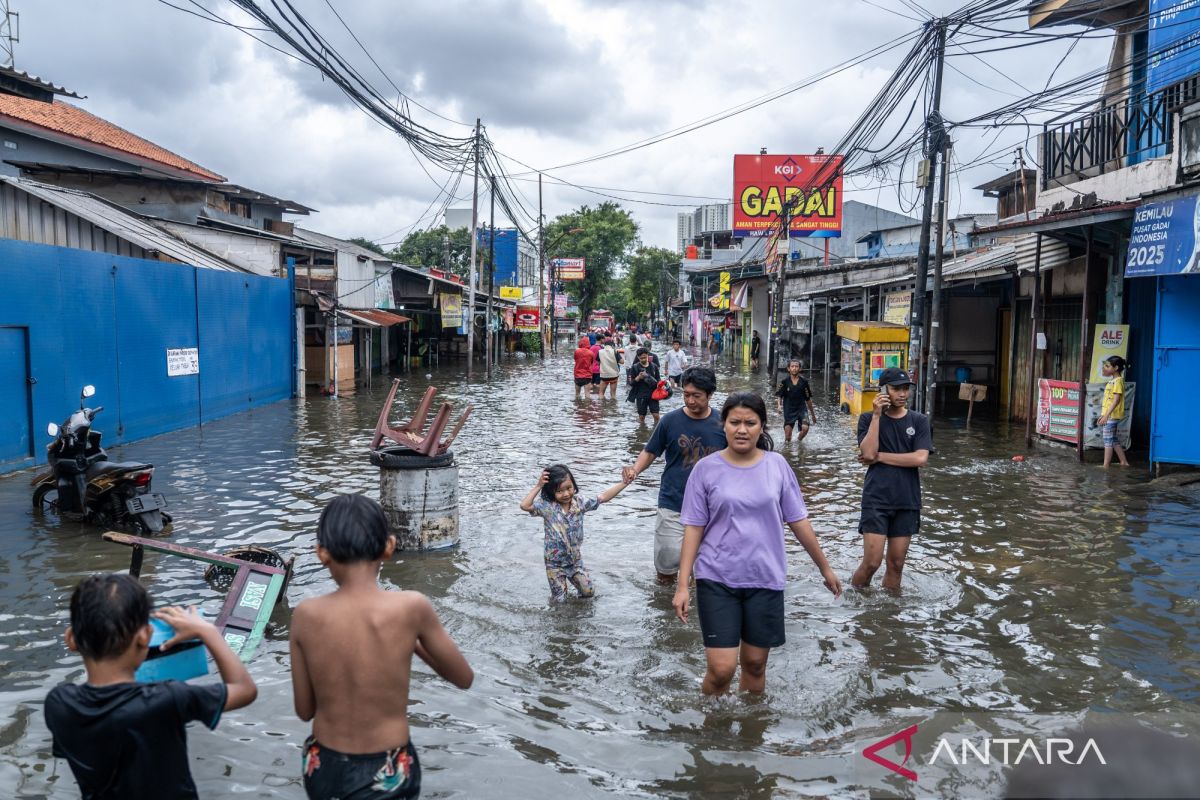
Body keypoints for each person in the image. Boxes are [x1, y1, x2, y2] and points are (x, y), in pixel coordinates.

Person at [290, 494, 473, 800]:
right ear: (389, 546)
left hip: (324, 764)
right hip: (390, 768)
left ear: (321, 552)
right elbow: (463, 678)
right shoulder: (411, 607)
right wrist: (414, 643)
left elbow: (305, 710)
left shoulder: (305, 615)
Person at [672, 392, 842, 695]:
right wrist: (683, 584)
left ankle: (750, 725)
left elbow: (798, 521)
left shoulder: (777, 466)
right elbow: (694, 528)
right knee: (722, 669)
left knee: (754, 665)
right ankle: (712, 720)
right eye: (734, 422)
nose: (742, 429)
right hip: (716, 577)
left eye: (750, 423)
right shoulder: (706, 469)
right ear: (723, 425)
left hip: (765, 577)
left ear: (762, 426)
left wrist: (825, 568)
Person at [45, 573, 258, 800]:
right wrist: (207, 631)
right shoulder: (168, 698)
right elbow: (244, 689)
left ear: (71, 639)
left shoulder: (59, 704)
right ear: (145, 636)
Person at [623, 366, 725, 584]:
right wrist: (635, 469)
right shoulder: (669, 421)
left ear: (710, 394)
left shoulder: (724, 423)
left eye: (696, 396)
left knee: (704, 572)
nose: (690, 401)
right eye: (686, 395)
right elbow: (651, 451)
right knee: (665, 569)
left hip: (712, 508)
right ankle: (664, 603)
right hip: (673, 503)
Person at [850, 368, 932, 591]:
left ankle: (891, 609)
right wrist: (877, 415)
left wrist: (880, 457)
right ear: (884, 391)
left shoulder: (919, 421)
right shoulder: (867, 419)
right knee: (872, 563)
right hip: (876, 499)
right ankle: (853, 599)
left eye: (905, 389)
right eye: (896, 389)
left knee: (896, 565)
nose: (902, 394)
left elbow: (920, 458)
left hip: (907, 500)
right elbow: (868, 453)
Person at [520, 464, 632, 602]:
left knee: (588, 592)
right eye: (559, 491)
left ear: (574, 485)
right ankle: (560, 612)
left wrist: (624, 483)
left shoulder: (579, 503)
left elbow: (603, 497)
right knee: (560, 600)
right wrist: (538, 486)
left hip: (575, 561)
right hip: (554, 564)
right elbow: (524, 505)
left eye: (569, 488)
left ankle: (578, 609)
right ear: (551, 492)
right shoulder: (546, 506)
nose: (566, 494)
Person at [1097, 355, 1130, 468]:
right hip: (1110, 415)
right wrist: (1103, 415)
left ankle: (1106, 465)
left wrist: (1106, 416)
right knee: (1113, 439)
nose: (1104, 368)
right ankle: (1123, 462)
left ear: (1116, 368)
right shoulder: (1113, 381)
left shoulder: (1118, 381)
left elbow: (1116, 400)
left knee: (1108, 441)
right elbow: (1109, 400)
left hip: (1111, 416)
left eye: (1107, 366)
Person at [775, 359, 817, 442]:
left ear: (800, 369)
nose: (794, 368)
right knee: (787, 438)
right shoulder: (785, 382)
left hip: (802, 409)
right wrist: (779, 406)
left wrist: (813, 415)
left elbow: (808, 399)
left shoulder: (804, 382)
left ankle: (798, 441)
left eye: (796, 366)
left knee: (805, 428)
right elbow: (779, 395)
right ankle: (789, 447)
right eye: (792, 366)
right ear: (788, 369)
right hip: (789, 410)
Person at [627, 347, 662, 425]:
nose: (643, 359)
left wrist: (661, 384)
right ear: (638, 357)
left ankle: (656, 429)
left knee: (656, 415)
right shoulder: (635, 367)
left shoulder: (654, 366)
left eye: (645, 357)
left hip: (653, 395)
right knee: (642, 417)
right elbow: (631, 383)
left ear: (647, 355)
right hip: (641, 395)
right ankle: (642, 430)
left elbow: (658, 379)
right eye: (641, 358)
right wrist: (638, 377)